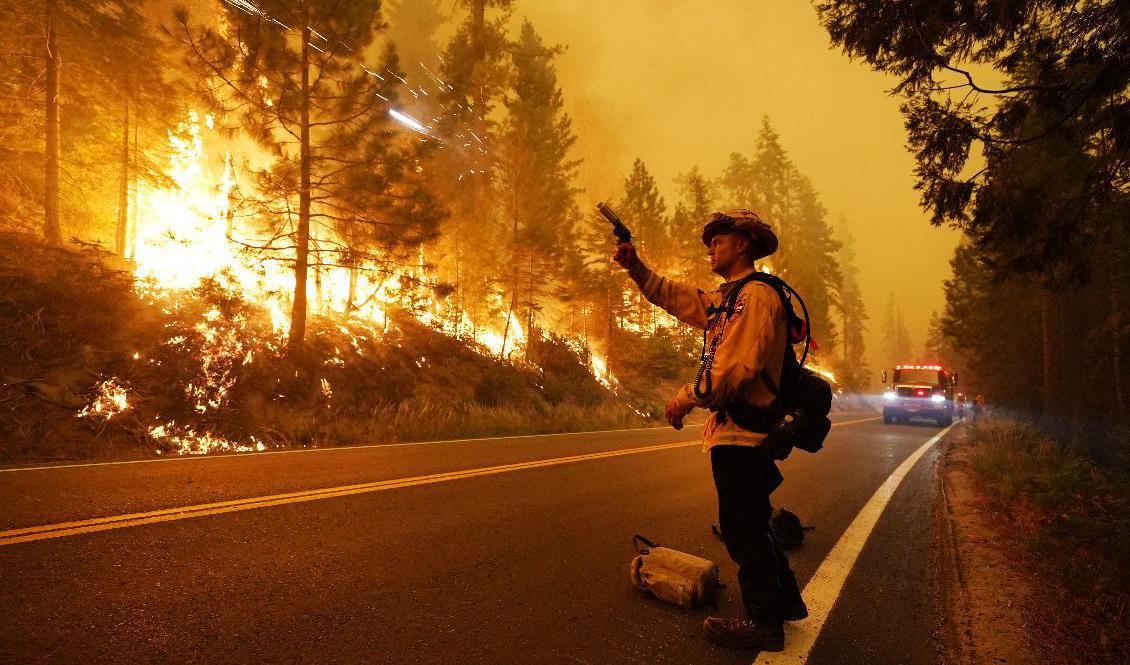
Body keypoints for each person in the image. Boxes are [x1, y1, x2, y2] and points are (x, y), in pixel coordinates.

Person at [613, 209, 806, 652]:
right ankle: (784, 603)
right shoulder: (730, 299)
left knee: (741, 528)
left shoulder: (754, 297)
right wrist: (636, 267)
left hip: (746, 433)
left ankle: (763, 622)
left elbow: (735, 368)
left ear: (743, 245)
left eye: (719, 238)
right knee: (752, 521)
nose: (710, 245)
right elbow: (676, 297)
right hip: (736, 431)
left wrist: (684, 398)